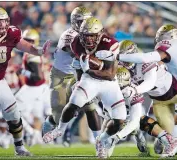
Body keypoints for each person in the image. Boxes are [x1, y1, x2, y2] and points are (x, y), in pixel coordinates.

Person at [96, 24, 177, 149]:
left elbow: (149, 81)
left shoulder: (145, 58)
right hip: (159, 99)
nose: (125, 62)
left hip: (176, 90)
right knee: (167, 131)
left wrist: (133, 88)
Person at [43, 17, 127, 159]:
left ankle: (101, 140)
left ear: (100, 34)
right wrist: (81, 77)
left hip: (108, 83)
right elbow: (80, 65)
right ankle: (60, 130)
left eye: (92, 36)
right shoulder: (76, 43)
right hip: (89, 79)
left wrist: (89, 69)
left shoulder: (110, 44)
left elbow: (110, 74)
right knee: (74, 102)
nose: (88, 40)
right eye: (86, 35)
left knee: (119, 121)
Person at [0, 7, 50, 156]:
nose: (2, 25)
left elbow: (23, 45)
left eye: (4, 21)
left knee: (15, 116)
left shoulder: (12, 33)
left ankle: (19, 148)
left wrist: (38, 51)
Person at [42, 7, 102, 144]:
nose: (85, 25)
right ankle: (50, 122)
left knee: (90, 106)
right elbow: (78, 54)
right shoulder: (69, 35)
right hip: (62, 76)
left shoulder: (89, 35)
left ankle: (99, 141)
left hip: (77, 76)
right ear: (75, 22)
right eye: (82, 22)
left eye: (87, 21)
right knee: (60, 114)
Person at [15, 28, 51, 146]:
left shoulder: (31, 54)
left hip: (33, 88)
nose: (26, 42)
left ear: (35, 41)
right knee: (36, 115)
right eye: (25, 40)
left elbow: (38, 76)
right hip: (37, 88)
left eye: (29, 40)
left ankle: (31, 133)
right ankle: (36, 136)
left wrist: (23, 72)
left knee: (12, 111)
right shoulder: (33, 52)